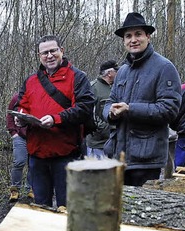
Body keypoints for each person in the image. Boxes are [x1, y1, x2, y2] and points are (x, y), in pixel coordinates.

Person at [15, 35, 95, 208]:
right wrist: (21, 118)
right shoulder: (31, 81)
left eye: (53, 51)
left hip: (66, 154)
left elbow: (84, 108)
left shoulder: (77, 77)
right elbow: (22, 105)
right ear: (39, 56)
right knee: (40, 206)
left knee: (67, 207)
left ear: (61, 51)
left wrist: (56, 119)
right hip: (37, 155)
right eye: (44, 53)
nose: (49, 56)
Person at [103, 12, 181, 187]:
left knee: (143, 211)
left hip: (146, 159)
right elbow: (109, 102)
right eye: (128, 36)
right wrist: (110, 112)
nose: (133, 40)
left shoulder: (164, 67)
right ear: (124, 41)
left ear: (148, 36)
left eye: (138, 34)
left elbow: (170, 109)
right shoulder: (122, 71)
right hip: (118, 157)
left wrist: (130, 109)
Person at [86, 60, 118, 159]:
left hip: (113, 142)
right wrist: (106, 129)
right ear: (109, 73)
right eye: (116, 71)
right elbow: (89, 114)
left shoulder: (114, 87)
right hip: (97, 144)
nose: (118, 73)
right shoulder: (92, 87)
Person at [6, 92, 33, 202]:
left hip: (34, 136)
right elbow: (9, 115)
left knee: (33, 163)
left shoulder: (38, 97)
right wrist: (13, 132)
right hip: (20, 136)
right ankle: (15, 190)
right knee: (19, 162)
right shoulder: (17, 98)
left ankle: (31, 189)